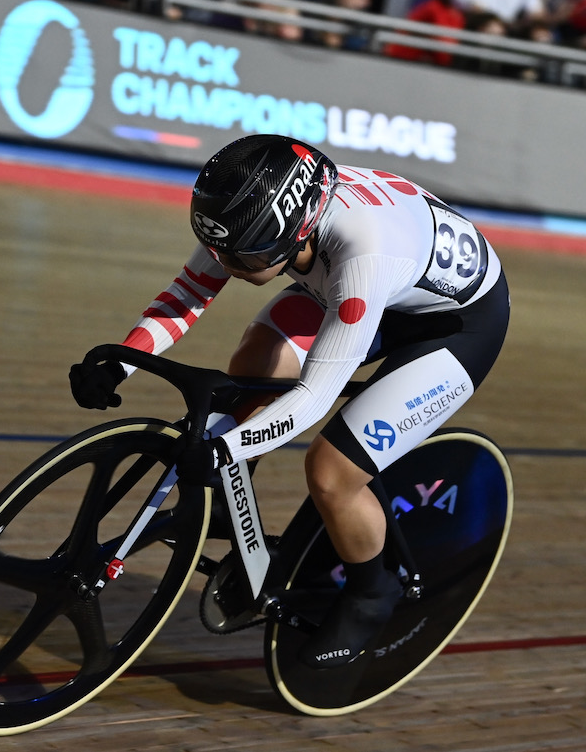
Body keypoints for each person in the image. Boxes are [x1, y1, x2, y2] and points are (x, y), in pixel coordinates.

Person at [68, 135, 510, 668]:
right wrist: (121, 361)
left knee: (331, 469)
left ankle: (373, 593)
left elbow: (311, 400)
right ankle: (231, 500)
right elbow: (189, 293)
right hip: (363, 283)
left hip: (452, 326)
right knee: (257, 357)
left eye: (244, 256)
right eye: (219, 250)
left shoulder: (362, 253)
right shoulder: (255, 207)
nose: (226, 266)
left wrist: (223, 447)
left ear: (296, 231)